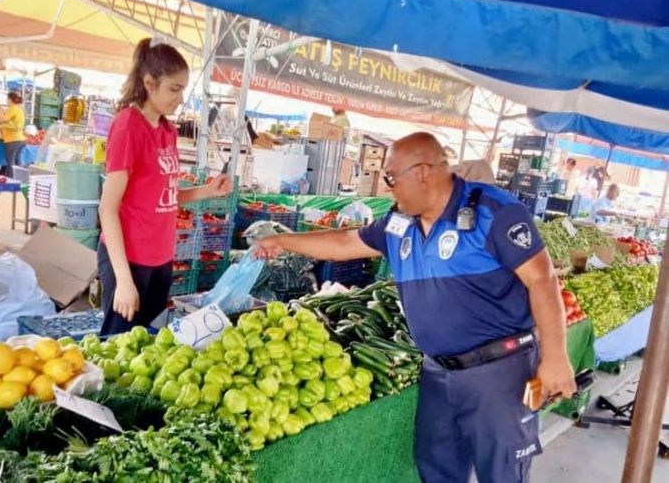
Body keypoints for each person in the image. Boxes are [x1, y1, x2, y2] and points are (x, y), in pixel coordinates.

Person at [255, 132, 576, 483]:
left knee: (502, 474)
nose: (389, 187)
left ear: (423, 172)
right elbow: (346, 242)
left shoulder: (493, 211)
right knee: (437, 470)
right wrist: (283, 240)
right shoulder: (398, 223)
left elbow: (543, 280)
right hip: (438, 373)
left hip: (498, 373)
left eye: (392, 178)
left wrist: (556, 358)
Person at [98, 38, 233, 336]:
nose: (180, 98)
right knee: (116, 347)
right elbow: (108, 208)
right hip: (129, 260)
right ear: (149, 82)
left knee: (149, 344)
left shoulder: (167, 130)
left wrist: (208, 190)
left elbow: (166, 197)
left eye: (183, 89)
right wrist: (123, 279)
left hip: (161, 259)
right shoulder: (128, 126)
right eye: (174, 89)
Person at [0, 91, 26, 178]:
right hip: (21, 140)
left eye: (7, 99)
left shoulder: (13, 109)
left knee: (10, 163)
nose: (6, 101)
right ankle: (22, 180)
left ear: (10, 100)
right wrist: (1, 109)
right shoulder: (18, 109)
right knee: (18, 162)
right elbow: (10, 121)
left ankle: (10, 182)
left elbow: (4, 119)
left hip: (12, 140)